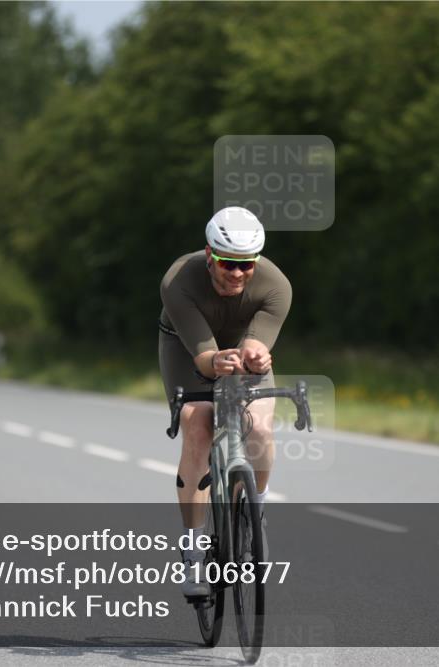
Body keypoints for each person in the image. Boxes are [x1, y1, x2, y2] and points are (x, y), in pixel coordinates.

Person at [158, 207, 292, 598]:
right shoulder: (178, 279)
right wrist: (215, 361)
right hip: (187, 347)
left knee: (261, 427)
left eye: (246, 265)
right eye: (227, 264)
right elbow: (203, 358)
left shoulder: (276, 285)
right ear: (209, 255)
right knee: (198, 421)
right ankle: (193, 551)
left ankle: (256, 512)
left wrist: (257, 356)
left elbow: (255, 342)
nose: (237, 274)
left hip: (240, 344)